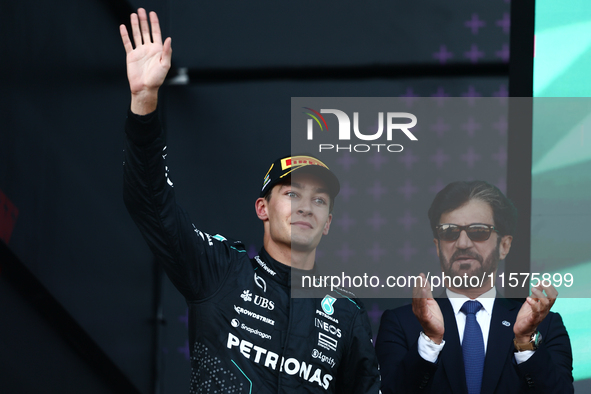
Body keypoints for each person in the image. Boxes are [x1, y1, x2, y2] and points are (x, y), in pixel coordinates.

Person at [120, 8, 380, 393]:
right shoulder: (221, 271)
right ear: (263, 208)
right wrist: (144, 101)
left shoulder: (346, 313)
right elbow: (151, 204)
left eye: (320, 200)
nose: (306, 206)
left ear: (328, 223)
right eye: (292, 194)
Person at [375, 180, 573, 393]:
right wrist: (430, 341)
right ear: (438, 246)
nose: (462, 243)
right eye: (450, 232)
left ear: (504, 245)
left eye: (478, 231)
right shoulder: (401, 324)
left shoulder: (545, 326)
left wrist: (525, 342)